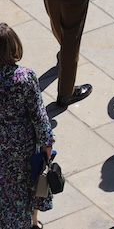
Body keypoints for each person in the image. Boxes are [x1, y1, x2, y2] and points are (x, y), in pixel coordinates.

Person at [0, 23, 54, 229]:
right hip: (20, 147)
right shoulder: (24, 78)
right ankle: (28, 223)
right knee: (23, 190)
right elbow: (39, 116)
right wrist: (47, 144)